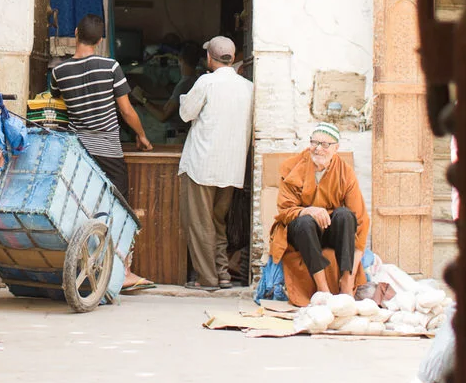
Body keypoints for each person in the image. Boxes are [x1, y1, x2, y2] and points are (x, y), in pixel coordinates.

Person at [50, 14, 153, 292]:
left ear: (75, 33)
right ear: (100, 40)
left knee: (81, 209)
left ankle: (81, 265)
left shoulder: (59, 72)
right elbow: (127, 110)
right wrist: (142, 136)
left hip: (79, 152)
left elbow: (57, 103)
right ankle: (125, 271)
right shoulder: (110, 67)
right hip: (108, 150)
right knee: (118, 211)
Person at [177, 36, 254, 290]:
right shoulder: (247, 87)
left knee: (199, 223)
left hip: (202, 165)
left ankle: (206, 279)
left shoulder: (206, 82)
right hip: (231, 168)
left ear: (210, 57)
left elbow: (186, 114)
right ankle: (222, 274)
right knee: (218, 222)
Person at [268, 123, 369, 306]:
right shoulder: (292, 167)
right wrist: (309, 210)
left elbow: (360, 220)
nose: (318, 149)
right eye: (314, 143)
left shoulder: (345, 172)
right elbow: (284, 210)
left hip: (328, 230)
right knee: (306, 222)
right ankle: (323, 290)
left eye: (325, 145)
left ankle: (346, 283)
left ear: (336, 148)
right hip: (301, 231)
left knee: (345, 216)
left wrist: (352, 274)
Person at [132, 43, 204, 139]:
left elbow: (163, 116)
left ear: (180, 60)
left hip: (178, 136)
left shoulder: (183, 85)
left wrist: (143, 100)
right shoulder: (196, 81)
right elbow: (167, 108)